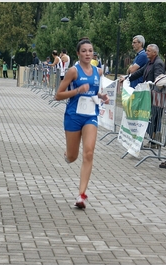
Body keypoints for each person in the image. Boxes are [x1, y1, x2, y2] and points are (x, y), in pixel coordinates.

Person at [54, 39, 109, 210]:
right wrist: (77, 90)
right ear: (78, 53)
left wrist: (101, 96)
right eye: (84, 51)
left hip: (90, 116)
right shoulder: (73, 71)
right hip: (73, 116)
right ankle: (68, 154)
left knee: (89, 152)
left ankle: (81, 195)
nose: (87, 54)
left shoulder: (97, 71)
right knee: (73, 157)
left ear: (93, 54)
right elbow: (58, 95)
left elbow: (93, 91)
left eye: (90, 51)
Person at [123, 44, 165, 147]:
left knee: (154, 118)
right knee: (150, 118)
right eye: (146, 50)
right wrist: (127, 78)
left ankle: (155, 141)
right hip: (148, 96)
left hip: (154, 96)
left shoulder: (158, 63)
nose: (146, 52)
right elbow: (139, 73)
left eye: (149, 51)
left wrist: (151, 92)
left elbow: (158, 80)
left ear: (155, 53)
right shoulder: (149, 63)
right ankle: (152, 140)